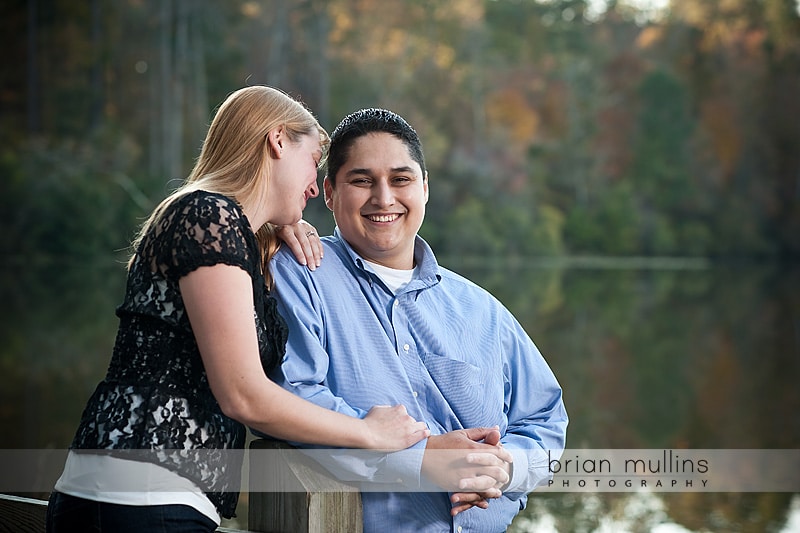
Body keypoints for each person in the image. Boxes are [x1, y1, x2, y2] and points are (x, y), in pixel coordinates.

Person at [45, 87, 430, 533]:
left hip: (151, 499)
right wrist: (370, 433)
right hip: (138, 498)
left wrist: (277, 228)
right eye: (314, 159)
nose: (314, 183)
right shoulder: (208, 215)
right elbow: (242, 394)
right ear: (278, 140)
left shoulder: (230, 232)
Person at [268, 108, 568, 532]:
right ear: (330, 192)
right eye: (362, 180)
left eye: (401, 179)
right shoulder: (303, 274)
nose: (384, 198)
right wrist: (417, 461)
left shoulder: (482, 310)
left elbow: (545, 419)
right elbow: (294, 394)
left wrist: (505, 467)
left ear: (425, 189)